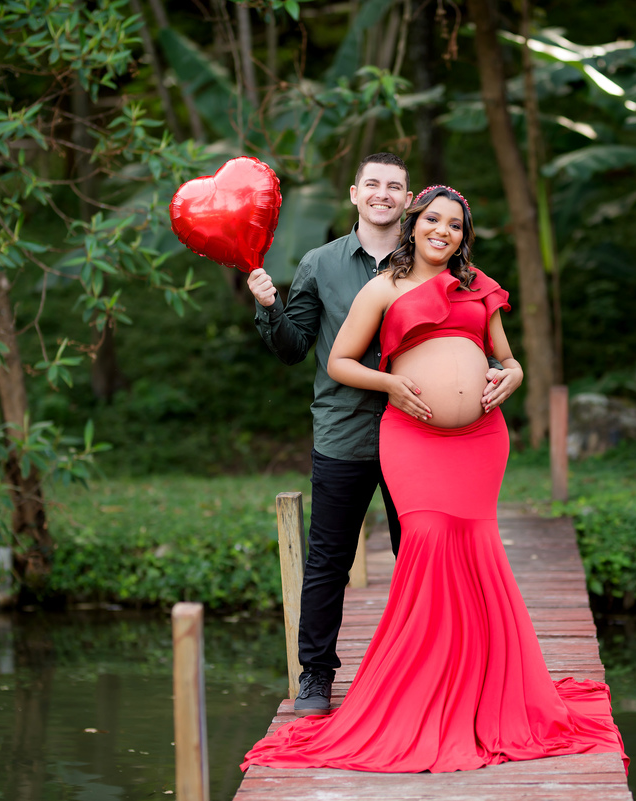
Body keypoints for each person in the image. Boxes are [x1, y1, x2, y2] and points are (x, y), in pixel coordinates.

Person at [241, 186, 628, 773]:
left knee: (476, 554)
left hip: (480, 442)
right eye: (433, 220)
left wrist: (513, 378)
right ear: (413, 224)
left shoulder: (480, 286)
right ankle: (417, 688)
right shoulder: (383, 287)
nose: (443, 231)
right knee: (424, 548)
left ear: (462, 235)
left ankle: (477, 686)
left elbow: (507, 357)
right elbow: (340, 361)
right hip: (412, 436)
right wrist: (392, 384)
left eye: (455, 224)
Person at [247, 156, 522, 717]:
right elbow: (295, 347)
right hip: (345, 431)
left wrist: (506, 371)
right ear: (354, 193)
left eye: (393, 186)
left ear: (409, 200)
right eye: (372, 184)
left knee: (421, 556)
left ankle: (431, 671)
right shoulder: (321, 263)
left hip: (424, 438)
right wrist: (269, 306)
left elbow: (486, 340)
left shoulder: (440, 266)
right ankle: (316, 679)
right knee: (328, 560)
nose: (382, 194)